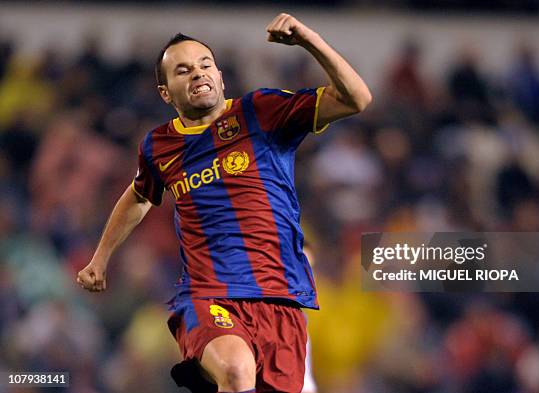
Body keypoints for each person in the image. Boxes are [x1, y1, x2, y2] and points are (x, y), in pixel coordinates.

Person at [77, 12, 371, 393]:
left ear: (220, 76)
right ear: (165, 92)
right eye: (183, 70)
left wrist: (308, 40)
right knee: (235, 371)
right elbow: (138, 195)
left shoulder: (261, 112)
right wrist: (100, 258)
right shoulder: (159, 146)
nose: (197, 73)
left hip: (281, 299)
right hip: (210, 293)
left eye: (205, 65)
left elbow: (357, 99)